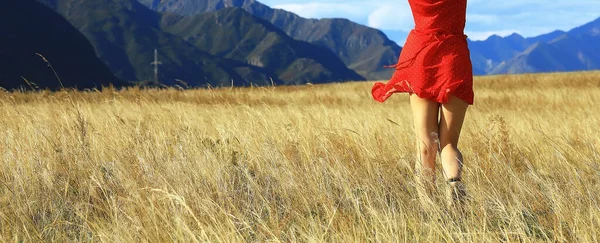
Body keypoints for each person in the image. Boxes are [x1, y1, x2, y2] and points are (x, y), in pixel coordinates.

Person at [372, 0, 473, 206]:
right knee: (449, 143)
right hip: (454, 58)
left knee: (426, 144)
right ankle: (453, 184)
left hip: (421, 56)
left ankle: (428, 208)